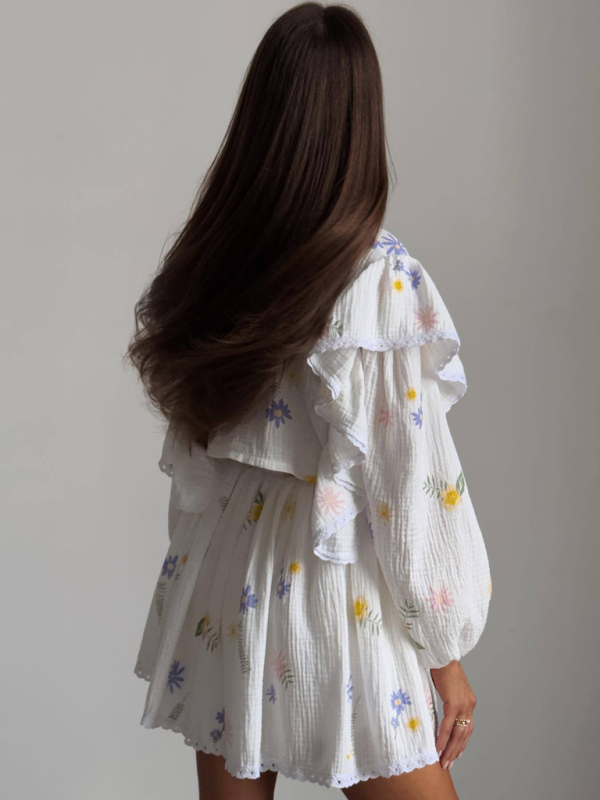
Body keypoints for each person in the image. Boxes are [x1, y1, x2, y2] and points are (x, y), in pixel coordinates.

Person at [125, 3, 491, 798]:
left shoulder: (212, 265)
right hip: (334, 581)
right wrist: (446, 654)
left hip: (226, 578)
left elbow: (192, 464)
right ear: (360, 125)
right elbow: (409, 479)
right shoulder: (379, 281)